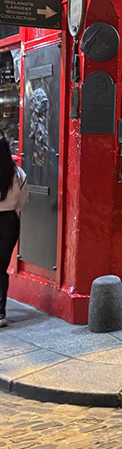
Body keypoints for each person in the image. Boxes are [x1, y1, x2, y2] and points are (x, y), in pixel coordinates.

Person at [0, 136, 27, 328]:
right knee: (1, 268)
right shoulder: (18, 173)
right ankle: (1, 312)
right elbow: (22, 202)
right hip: (9, 221)